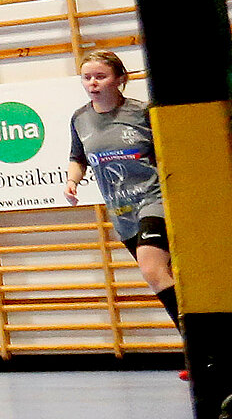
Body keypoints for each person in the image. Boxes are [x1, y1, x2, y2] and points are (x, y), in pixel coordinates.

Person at [64, 48, 183, 373]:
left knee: (151, 268)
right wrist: (72, 181)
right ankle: (200, 345)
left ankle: (198, 349)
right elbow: (79, 157)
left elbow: (169, 153)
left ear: (120, 80)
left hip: (154, 199)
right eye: (87, 77)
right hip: (122, 212)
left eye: (100, 76)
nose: (93, 83)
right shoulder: (80, 118)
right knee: (168, 278)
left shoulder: (142, 113)